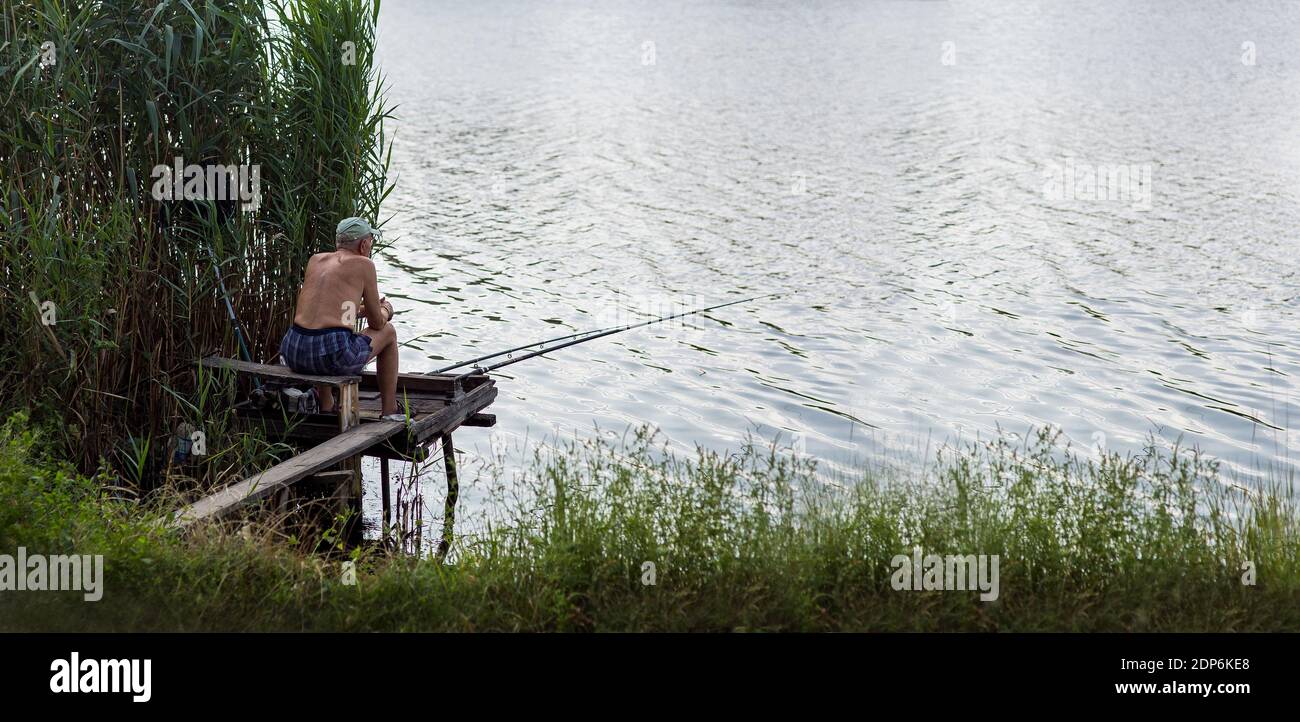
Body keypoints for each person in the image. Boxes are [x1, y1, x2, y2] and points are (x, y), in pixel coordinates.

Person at [279, 217, 404, 421]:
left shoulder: (316, 260)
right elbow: (377, 324)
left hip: (294, 350)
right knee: (388, 332)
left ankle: (327, 406)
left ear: (338, 241)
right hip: (328, 354)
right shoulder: (365, 264)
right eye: (371, 241)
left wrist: (361, 310)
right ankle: (390, 411)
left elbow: (331, 312)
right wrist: (385, 310)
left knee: (327, 335)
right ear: (364, 245)